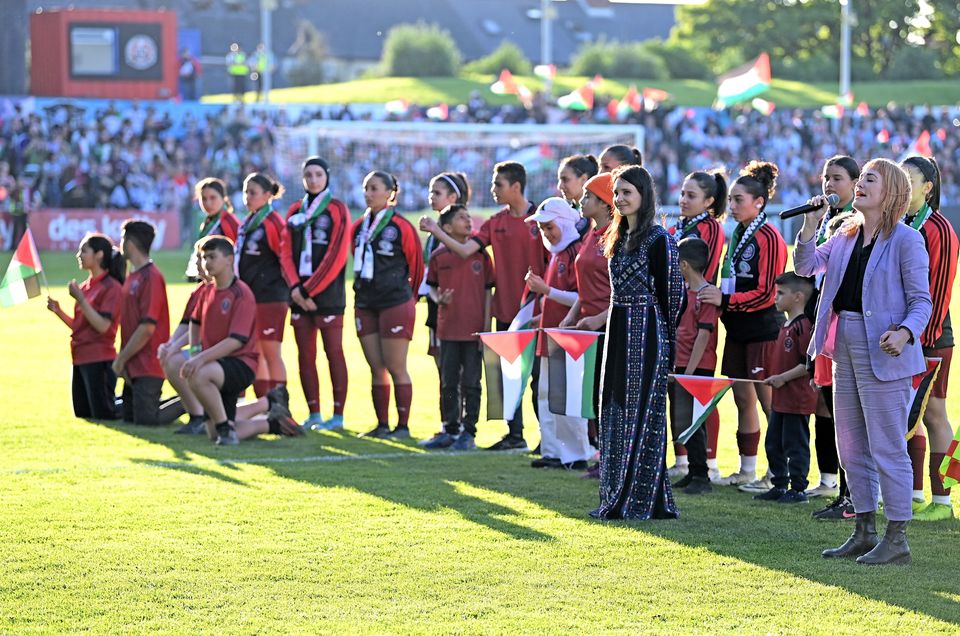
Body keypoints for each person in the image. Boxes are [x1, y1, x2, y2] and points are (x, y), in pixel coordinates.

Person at [797, 158, 931, 566]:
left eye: (869, 179)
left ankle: (897, 537)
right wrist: (808, 225)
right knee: (850, 444)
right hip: (845, 347)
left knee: (887, 445)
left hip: (885, 350)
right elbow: (805, 267)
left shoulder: (906, 240)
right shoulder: (843, 233)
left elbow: (921, 302)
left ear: (889, 191)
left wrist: (905, 333)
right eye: (862, 179)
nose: (860, 185)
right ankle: (864, 530)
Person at [420, 161, 548, 451]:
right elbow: (465, 250)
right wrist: (436, 230)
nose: (492, 189)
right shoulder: (494, 223)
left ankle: (547, 438)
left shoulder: (540, 220)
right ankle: (515, 436)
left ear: (515, 187)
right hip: (504, 311)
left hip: (536, 311)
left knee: (539, 380)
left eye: (498, 184)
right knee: (507, 379)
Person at [592, 165, 683, 520]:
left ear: (644, 196)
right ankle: (614, 492)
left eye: (627, 192)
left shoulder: (658, 238)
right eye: (617, 193)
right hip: (618, 328)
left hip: (647, 332)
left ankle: (640, 497)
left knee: (644, 413)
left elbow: (673, 295)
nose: (620, 199)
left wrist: (666, 341)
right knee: (613, 409)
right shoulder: (616, 237)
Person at [699, 161, 787, 490]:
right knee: (742, 400)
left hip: (763, 328)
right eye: (732, 199)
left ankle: (779, 473)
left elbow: (766, 293)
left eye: (739, 200)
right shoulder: (737, 234)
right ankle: (747, 469)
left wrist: (724, 301)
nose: (732, 206)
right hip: (736, 327)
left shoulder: (770, 237)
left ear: (759, 202)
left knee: (769, 403)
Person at [900, 155, 958, 521]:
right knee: (912, 415)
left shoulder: (937, 228)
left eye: (909, 179)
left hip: (931, 336)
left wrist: (920, 337)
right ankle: (915, 494)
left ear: (927, 188)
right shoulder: (901, 223)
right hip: (908, 336)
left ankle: (945, 501)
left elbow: (938, 291)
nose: (902, 186)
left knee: (935, 413)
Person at [352, 171, 424, 438]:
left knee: (396, 366)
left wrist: (409, 297)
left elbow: (416, 266)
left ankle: (402, 427)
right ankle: (381, 425)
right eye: (365, 188)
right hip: (365, 302)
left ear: (389, 193)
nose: (368, 193)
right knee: (376, 367)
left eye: (374, 188)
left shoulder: (401, 226)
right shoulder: (359, 226)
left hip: (395, 302)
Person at [667, 170, 727, 481]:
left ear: (708, 201)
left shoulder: (710, 228)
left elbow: (709, 266)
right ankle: (688, 465)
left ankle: (706, 466)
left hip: (696, 350)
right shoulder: (677, 227)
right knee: (681, 410)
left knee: (698, 410)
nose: (683, 200)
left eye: (691, 195)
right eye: (682, 194)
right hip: (681, 334)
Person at [283, 157, 351, 431]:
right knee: (305, 355)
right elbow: (285, 252)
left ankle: (338, 416)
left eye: (318, 174)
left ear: (327, 177)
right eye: (308, 175)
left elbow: (336, 254)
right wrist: (295, 289)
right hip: (298, 295)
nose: (313, 179)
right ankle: (313, 413)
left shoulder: (337, 209)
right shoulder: (294, 210)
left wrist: (308, 290)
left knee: (333, 352)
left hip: (328, 295)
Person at [807, 156, 859, 510]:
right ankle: (844, 493)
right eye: (826, 178)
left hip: (851, 327)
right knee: (833, 409)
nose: (829, 185)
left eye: (837, 178)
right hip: (827, 326)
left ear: (856, 184)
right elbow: (808, 266)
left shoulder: (864, 224)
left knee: (853, 417)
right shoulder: (827, 220)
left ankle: (857, 495)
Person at [425, 204, 494, 451]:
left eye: (468, 217)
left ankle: (469, 431)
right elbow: (431, 286)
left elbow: (488, 293)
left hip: (474, 330)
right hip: (448, 329)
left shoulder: (481, 255)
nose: (467, 221)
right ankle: (450, 428)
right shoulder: (438, 257)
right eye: (461, 218)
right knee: (448, 381)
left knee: (472, 382)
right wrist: (437, 298)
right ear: (446, 227)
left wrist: (485, 328)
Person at [524, 198, 588, 470]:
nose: (546, 234)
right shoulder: (557, 253)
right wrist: (541, 314)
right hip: (548, 333)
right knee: (546, 394)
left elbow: (580, 297)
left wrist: (545, 291)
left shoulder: (575, 252)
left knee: (568, 396)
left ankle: (575, 455)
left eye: (549, 227)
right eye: (541, 228)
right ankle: (552, 452)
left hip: (568, 335)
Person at [560, 172, 613, 478]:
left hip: (607, 327)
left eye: (589, 196)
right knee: (593, 396)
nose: (582, 200)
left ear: (605, 204)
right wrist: (572, 317)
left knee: (606, 397)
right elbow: (586, 286)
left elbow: (628, 291)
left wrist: (599, 318)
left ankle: (610, 459)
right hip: (587, 328)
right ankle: (602, 456)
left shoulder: (617, 238)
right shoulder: (590, 234)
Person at [181, 236, 259, 445]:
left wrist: (199, 359)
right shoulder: (206, 291)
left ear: (229, 260)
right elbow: (195, 322)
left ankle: (226, 429)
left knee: (198, 375)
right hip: (216, 363)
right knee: (211, 433)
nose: (207, 262)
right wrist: (196, 350)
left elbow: (236, 341)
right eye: (205, 257)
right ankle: (271, 421)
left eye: (212, 257)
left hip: (240, 364)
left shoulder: (241, 293)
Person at [46, 234, 125, 420]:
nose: (78, 255)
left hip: (99, 358)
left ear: (99, 255)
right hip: (80, 357)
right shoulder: (86, 287)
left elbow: (103, 326)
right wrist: (59, 311)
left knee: (103, 414)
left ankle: (139, 404)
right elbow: (79, 326)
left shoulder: (111, 287)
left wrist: (80, 299)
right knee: (83, 413)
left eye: (84, 250)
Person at [755, 272, 817, 504]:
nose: (776, 298)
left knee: (795, 444)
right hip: (780, 399)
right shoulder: (785, 325)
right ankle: (779, 484)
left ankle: (798, 488)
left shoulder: (804, 326)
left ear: (798, 297)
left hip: (797, 400)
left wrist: (782, 378)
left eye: (781, 293)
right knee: (774, 442)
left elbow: (807, 364)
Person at [420, 171, 471, 449]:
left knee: (458, 371)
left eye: (437, 192)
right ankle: (448, 425)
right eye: (431, 191)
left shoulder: (457, 231)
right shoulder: (434, 232)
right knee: (443, 368)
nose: (431, 197)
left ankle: (460, 427)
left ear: (453, 198)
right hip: (436, 307)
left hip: (457, 312)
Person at [114, 220, 182, 426]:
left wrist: (121, 359)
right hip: (133, 362)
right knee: (129, 417)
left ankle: (194, 401)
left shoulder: (151, 277)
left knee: (146, 419)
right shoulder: (133, 276)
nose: (120, 244)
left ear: (130, 243)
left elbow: (147, 328)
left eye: (122, 239)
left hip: (148, 363)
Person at [669, 237, 721, 495]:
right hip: (681, 365)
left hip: (698, 368)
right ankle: (692, 470)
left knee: (695, 421)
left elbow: (704, 334)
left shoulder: (707, 295)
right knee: (682, 421)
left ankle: (702, 476)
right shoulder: (683, 292)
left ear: (685, 264)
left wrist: (688, 372)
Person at [236, 172, 294, 399]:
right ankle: (262, 405)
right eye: (245, 192)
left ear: (268, 196)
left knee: (271, 353)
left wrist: (288, 291)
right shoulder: (249, 221)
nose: (247, 197)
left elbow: (285, 259)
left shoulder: (272, 223)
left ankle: (279, 405)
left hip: (270, 297)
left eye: (253, 193)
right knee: (256, 353)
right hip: (252, 297)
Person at [161, 243, 212, 435]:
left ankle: (201, 415)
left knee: (176, 361)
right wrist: (169, 345)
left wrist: (175, 348)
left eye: (204, 258)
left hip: (215, 351)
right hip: (201, 349)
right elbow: (187, 323)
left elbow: (202, 328)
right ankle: (197, 415)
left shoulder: (222, 289)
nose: (199, 263)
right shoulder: (198, 291)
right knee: (170, 358)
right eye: (198, 258)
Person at [187, 178, 238, 280]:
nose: (208, 203)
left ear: (224, 198)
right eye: (204, 199)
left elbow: (236, 254)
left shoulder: (228, 221)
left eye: (213, 198)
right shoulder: (208, 222)